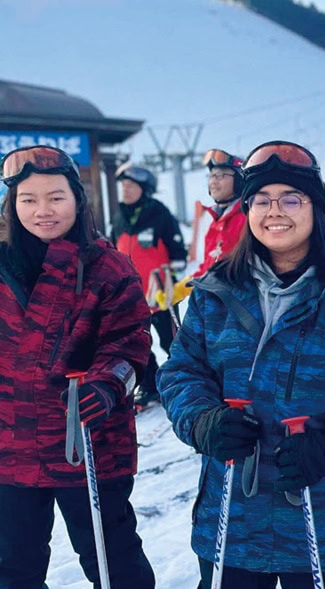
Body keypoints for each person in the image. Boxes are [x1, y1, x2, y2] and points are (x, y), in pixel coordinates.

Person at [158, 140, 325, 588]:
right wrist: (203, 421)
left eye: (291, 199)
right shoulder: (215, 292)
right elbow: (182, 372)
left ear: (316, 208)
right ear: (247, 210)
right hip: (234, 515)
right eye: (261, 200)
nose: (274, 211)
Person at [0, 145, 155, 587]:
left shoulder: (108, 268)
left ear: (77, 200)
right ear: (12, 204)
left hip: (86, 438)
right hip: (11, 445)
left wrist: (108, 385)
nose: (42, 210)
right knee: (13, 566)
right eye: (28, 199)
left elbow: (131, 344)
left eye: (55, 197)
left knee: (112, 560)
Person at [112, 163, 187, 409]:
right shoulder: (120, 217)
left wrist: (171, 284)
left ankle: (186, 382)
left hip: (160, 292)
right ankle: (150, 385)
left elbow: (178, 253)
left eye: (131, 186)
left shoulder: (159, 213)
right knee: (139, 345)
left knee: (171, 342)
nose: (126, 190)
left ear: (144, 189)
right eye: (123, 185)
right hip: (132, 295)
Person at [191, 148, 247, 279]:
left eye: (221, 175)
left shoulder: (247, 217)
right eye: (211, 175)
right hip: (212, 293)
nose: (213, 181)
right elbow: (209, 265)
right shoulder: (215, 220)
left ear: (239, 180)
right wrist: (189, 284)